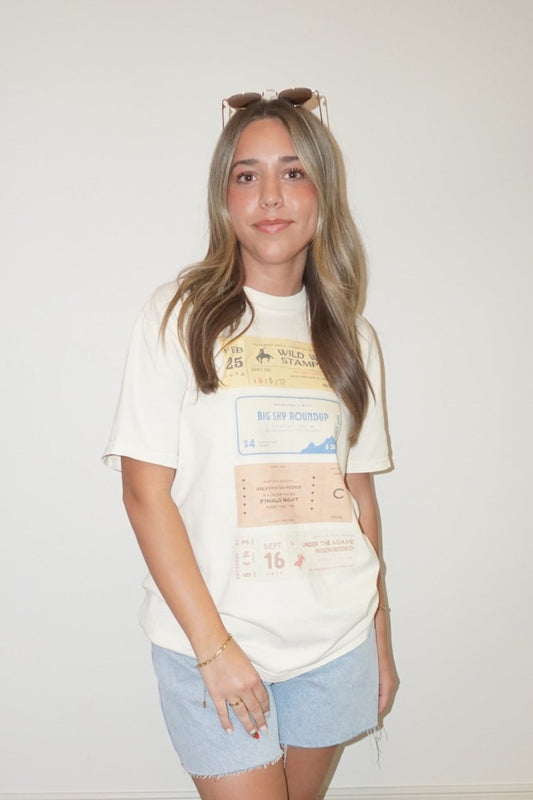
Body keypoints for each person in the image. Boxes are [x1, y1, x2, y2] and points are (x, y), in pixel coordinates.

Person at [104, 89, 396, 800]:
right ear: (223, 197)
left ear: (323, 192)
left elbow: (357, 496)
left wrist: (380, 639)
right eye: (247, 174)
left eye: (293, 172)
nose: (271, 195)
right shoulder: (179, 316)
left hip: (335, 642)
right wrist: (215, 649)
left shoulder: (352, 339)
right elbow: (145, 493)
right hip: (214, 642)